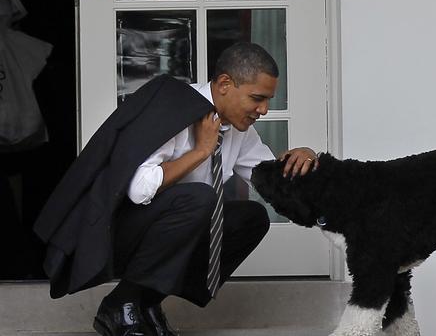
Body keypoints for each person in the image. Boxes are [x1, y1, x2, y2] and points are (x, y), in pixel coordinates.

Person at [34, 42, 317, 336]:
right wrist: (200, 152)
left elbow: (272, 184)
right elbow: (138, 189)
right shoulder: (173, 107)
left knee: (251, 217)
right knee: (198, 198)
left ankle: (147, 301)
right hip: (113, 233)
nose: (264, 110)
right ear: (224, 84)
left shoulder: (236, 128)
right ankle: (120, 304)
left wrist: (308, 160)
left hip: (166, 232)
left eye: (268, 100)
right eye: (257, 99)